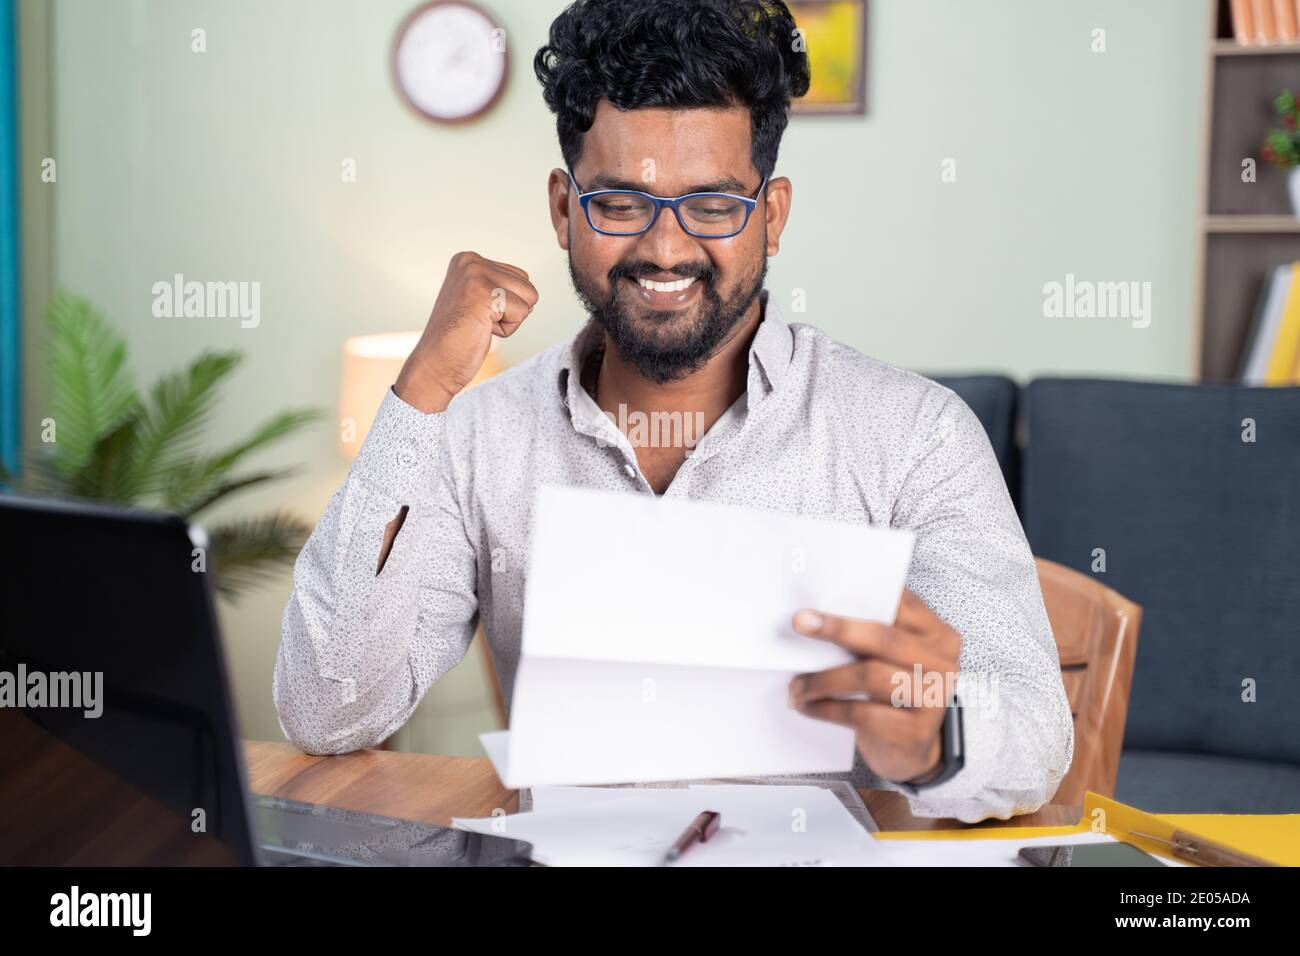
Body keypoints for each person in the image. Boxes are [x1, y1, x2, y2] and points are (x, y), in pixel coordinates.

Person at [274, 0, 1073, 823]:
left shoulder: (914, 436)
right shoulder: (479, 434)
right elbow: (326, 712)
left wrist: (935, 738)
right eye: (620, 202)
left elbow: (1037, 738)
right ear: (562, 208)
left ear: (772, 214)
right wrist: (419, 395)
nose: (665, 248)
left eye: (715, 205)